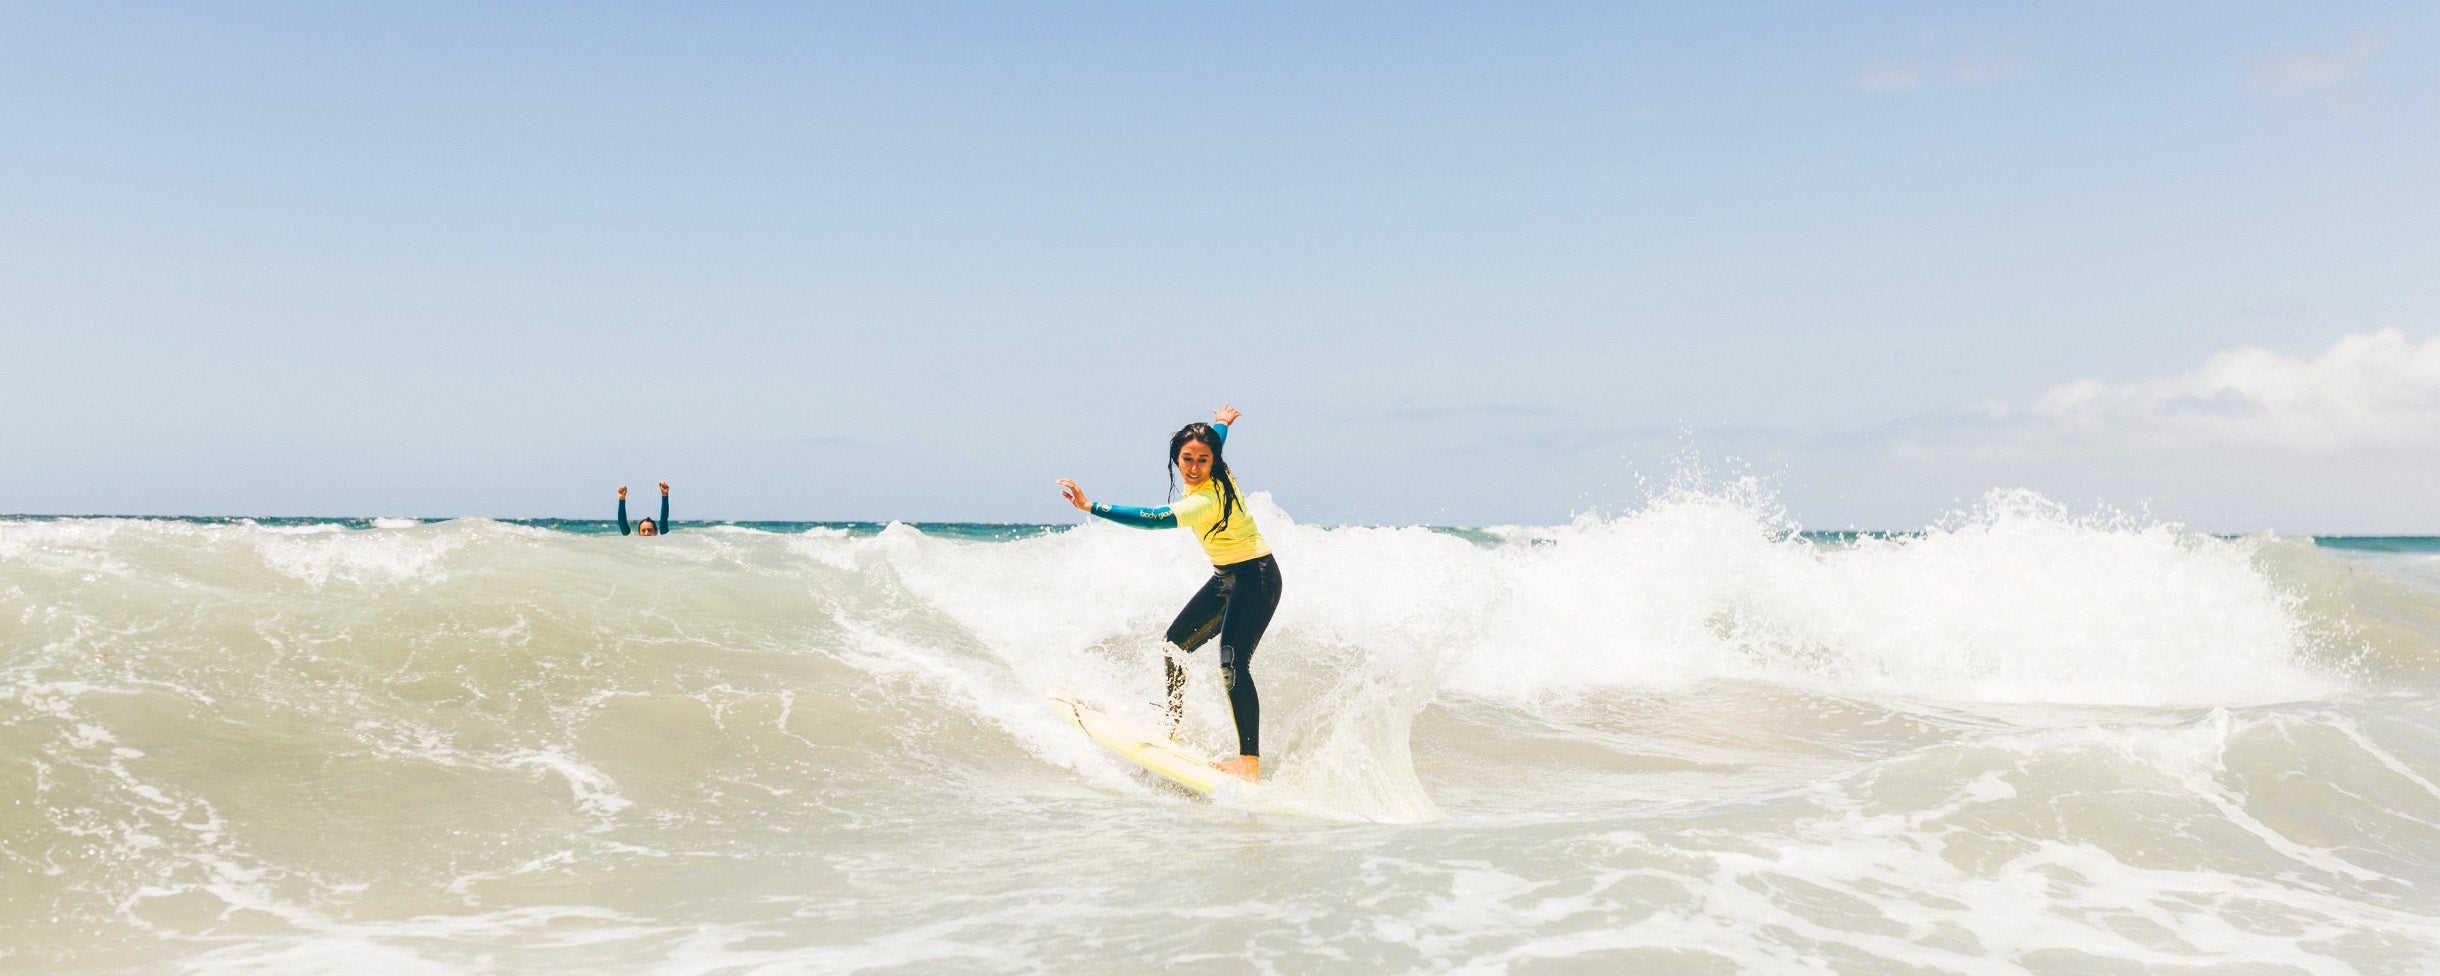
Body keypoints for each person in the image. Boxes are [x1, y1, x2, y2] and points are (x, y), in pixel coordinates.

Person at [1058, 404, 1281, 784]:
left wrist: (1091, 506)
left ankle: (1248, 763)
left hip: (1256, 578)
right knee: (1175, 644)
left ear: (1215, 461)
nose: (1194, 467)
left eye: (1203, 460)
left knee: (1232, 664)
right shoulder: (1208, 458)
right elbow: (1215, 439)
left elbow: (1156, 518)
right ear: (1177, 457)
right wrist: (1222, 423)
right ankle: (1171, 723)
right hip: (1226, 577)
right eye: (1187, 458)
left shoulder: (1206, 498)